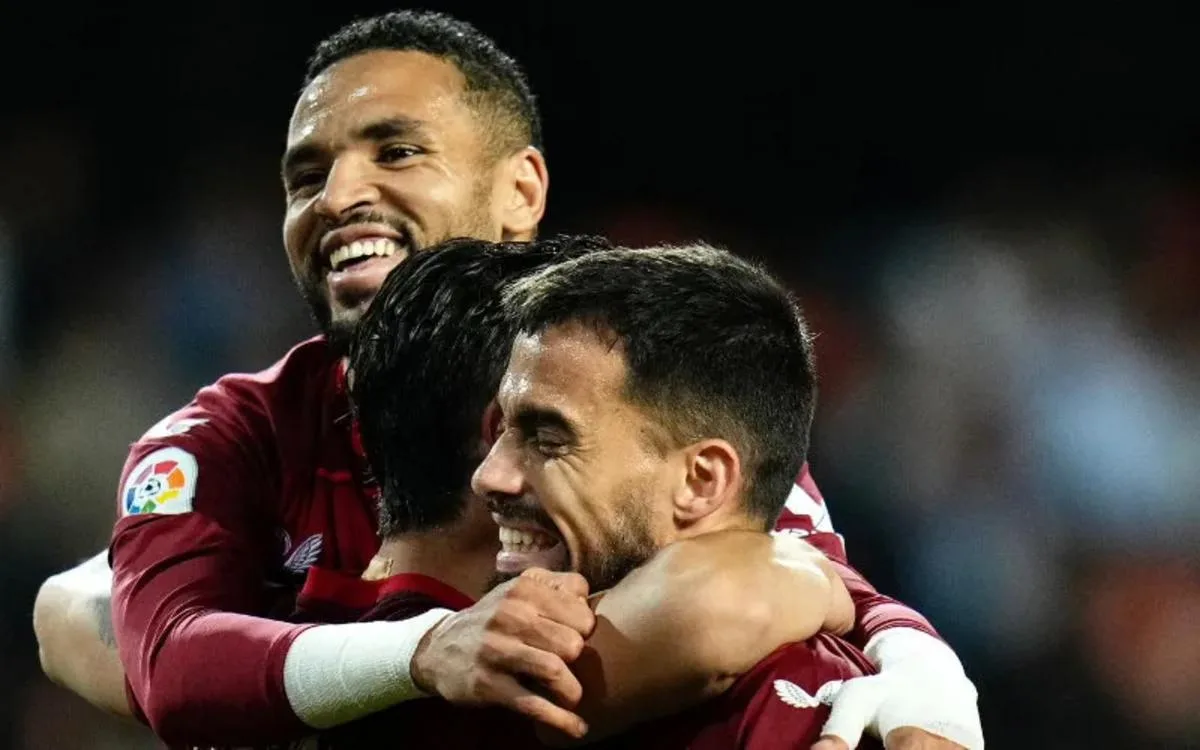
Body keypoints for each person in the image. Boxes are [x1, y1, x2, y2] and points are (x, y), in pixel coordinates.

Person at [30, 9, 982, 750]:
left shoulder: (628, 384)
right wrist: (421, 653)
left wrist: (922, 664)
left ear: (520, 190)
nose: (339, 196)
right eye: (305, 175)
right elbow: (163, 659)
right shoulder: (227, 439)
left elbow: (767, 582)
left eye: (397, 150)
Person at [293, 234, 860, 749]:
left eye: (548, 439)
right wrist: (802, 577)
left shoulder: (813, 713)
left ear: (700, 481)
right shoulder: (449, 676)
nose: (489, 476)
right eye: (501, 429)